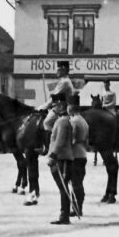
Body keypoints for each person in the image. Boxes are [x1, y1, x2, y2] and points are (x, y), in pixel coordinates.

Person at [46, 94, 74, 225]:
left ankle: (64, 216)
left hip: (61, 159)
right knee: (63, 188)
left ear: (62, 105)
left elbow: (60, 141)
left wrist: (52, 155)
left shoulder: (62, 121)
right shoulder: (61, 120)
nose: (53, 107)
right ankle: (64, 214)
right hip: (60, 158)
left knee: (63, 188)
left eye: (56, 105)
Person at [67, 94, 89, 212]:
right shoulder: (84, 121)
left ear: (70, 107)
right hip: (83, 153)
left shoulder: (73, 121)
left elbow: (72, 139)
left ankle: (76, 208)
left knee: (75, 183)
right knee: (79, 182)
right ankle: (78, 207)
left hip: (75, 154)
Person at [42, 60, 75, 133]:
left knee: (46, 123)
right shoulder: (63, 81)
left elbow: (54, 98)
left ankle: (55, 140)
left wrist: (42, 107)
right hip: (59, 106)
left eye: (58, 70)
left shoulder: (65, 82)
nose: (56, 72)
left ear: (63, 70)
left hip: (61, 108)